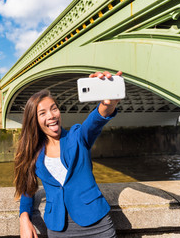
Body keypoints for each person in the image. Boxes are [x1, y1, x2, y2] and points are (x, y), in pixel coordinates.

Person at [14, 71, 123, 238]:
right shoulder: (34, 153)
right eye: (42, 113)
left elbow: (97, 119)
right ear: (34, 120)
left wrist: (107, 103)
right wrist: (24, 217)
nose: (51, 116)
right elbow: (27, 188)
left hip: (97, 225)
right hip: (59, 230)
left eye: (54, 109)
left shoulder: (77, 136)